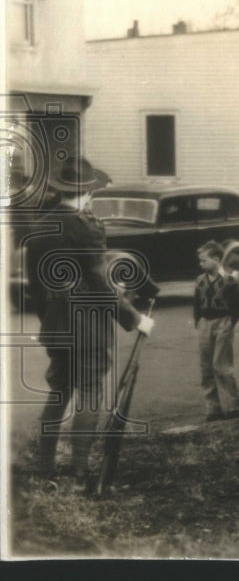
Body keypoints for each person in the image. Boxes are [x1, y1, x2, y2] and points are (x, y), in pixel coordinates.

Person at [28, 158, 155, 488]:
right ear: (86, 192)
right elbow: (99, 283)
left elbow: (35, 287)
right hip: (88, 326)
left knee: (58, 393)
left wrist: (51, 320)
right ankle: (80, 470)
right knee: (89, 393)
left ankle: (44, 468)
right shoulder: (86, 225)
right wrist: (135, 318)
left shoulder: (40, 225)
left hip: (56, 324)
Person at [194, 240, 239, 422]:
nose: (201, 264)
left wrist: (230, 322)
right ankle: (213, 406)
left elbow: (238, 306)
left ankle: (234, 404)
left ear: (216, 259)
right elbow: (197, 304)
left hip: (223, 322)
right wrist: (198, 322)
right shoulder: (200, 280)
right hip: (205, 324)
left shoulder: (228, 280)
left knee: (221, 365)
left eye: (203, 260)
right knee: (206, 366)